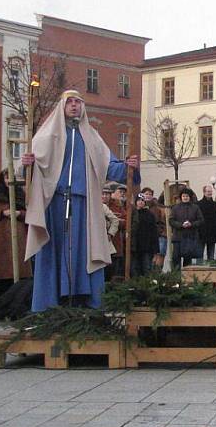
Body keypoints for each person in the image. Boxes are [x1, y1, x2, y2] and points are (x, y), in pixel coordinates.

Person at [22, 90, 139, 311]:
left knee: (85, 251)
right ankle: (49, 302)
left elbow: (109, 164)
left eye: (78, 102)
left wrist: (127, 166)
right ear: (62, 106)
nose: (74, 106)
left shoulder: (92, 137)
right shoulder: (47, 134)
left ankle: (85, 300)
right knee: (53, 251)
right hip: (55, 203)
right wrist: (27, 163)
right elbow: (32, 167)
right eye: (70, 102)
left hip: (84, 205)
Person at [0, 169, 31, 302]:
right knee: (0, 274)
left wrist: (21, 214)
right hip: (0, 240)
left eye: (11, 178)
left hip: (19, 240)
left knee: (19, 272)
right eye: (7, 178)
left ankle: (18, 303)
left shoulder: (21, 194)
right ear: (2, 179)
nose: (9, 181)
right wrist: (3, 213)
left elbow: (30, 213)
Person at [169, 189, 203, 269]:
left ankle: (187, 278)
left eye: (187, 196)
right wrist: (180, 225)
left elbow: (201, 220)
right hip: (178, 237)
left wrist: (191, 224)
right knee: (176, 258)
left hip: (190, 237)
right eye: (183, 196)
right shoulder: (175, 208)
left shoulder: (195, 207)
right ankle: (176, 277)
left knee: (188, 259)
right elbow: (171, 220)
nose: (185, 198)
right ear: (181, 197)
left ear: (190, 197)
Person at [131, 194, 159, 277]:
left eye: (143, 201)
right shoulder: (132, 214)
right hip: (135, 246)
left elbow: (154, 231)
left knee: (147, 267)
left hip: (147, 246)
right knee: (135, 268)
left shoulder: (150, 215)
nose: (141, 202)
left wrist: (155, 248)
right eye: (139, 200)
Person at [142, 187, 166, 267]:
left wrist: (159, 231)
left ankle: (156, 273)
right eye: (146, 194)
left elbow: (162, 221)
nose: (148, 196)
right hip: (144, 235)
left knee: (159, 253)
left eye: (150, 194)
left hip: (158, 234)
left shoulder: (157, 208)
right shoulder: (138, 206)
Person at [197, 185, 216, 261]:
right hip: (201, 231)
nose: (210, 193)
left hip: (212, 231)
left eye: (210, 191)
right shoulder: (198, 204)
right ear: (204, 192)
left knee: (211, 255)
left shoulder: (215, 205)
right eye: (208, 191)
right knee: (199, 255)